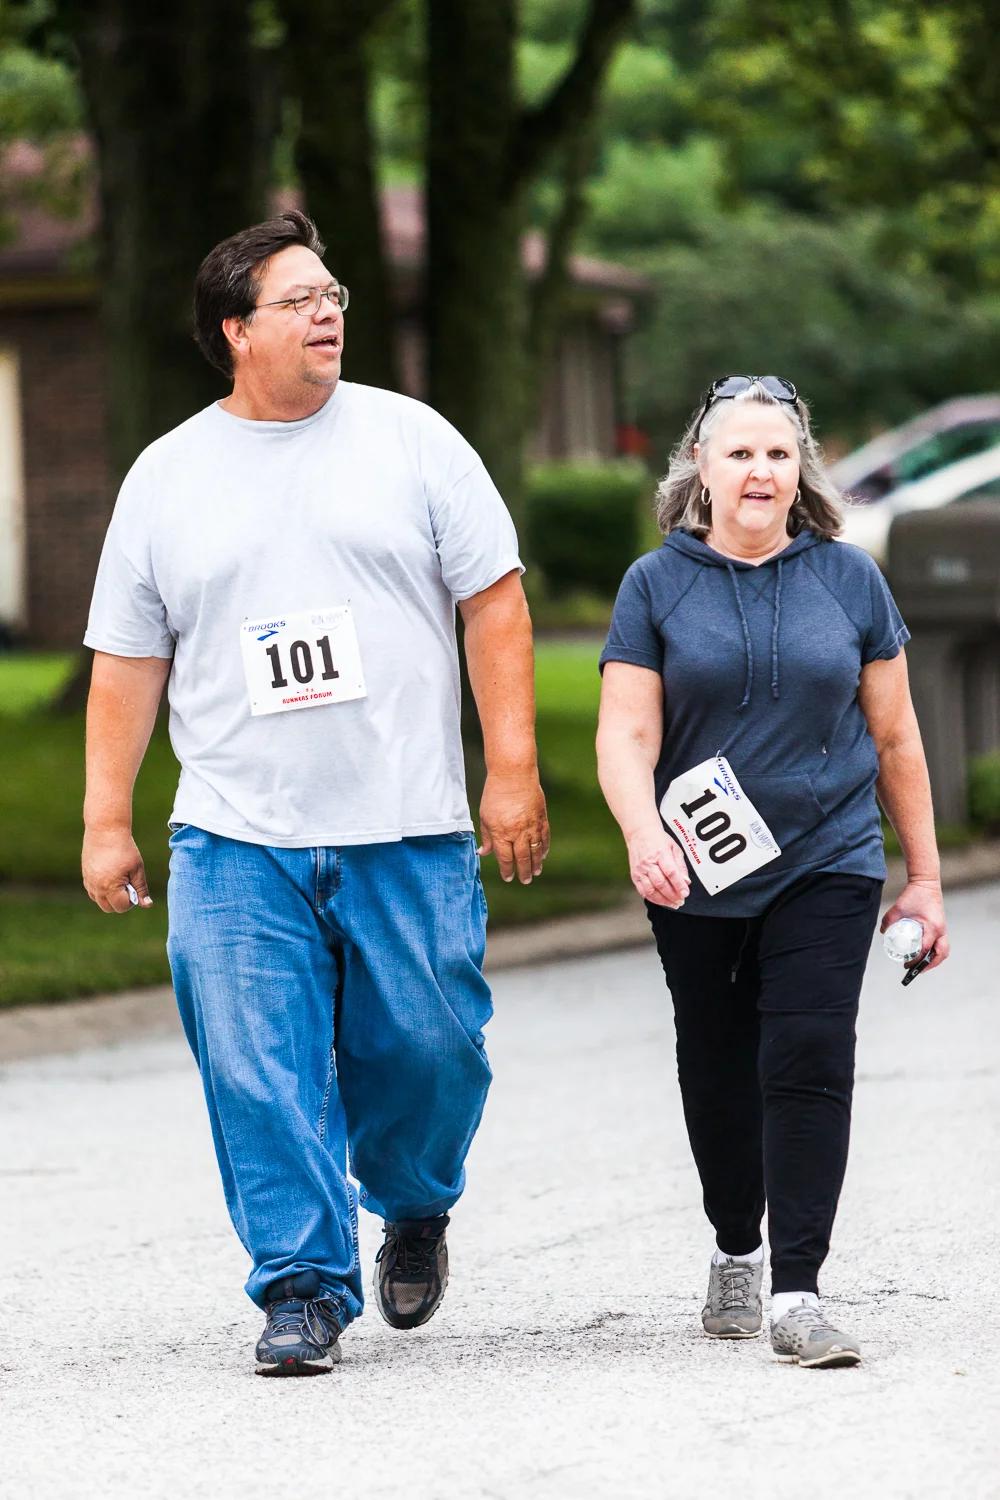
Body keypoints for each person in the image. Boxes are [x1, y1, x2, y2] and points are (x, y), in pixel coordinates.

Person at [81, 211, 549, 1376]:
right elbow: (128, 660)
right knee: (253, 1063)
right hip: (236, 833)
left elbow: (493, 602)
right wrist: (105, 816)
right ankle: (300, 1284)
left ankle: (415, 1199)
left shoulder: (415, 442)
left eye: (333, 293)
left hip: (407, 820)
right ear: (236, 330)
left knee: (432, 1052)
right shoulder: (167, 477)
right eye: (299, 300)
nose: (329, 311)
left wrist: (511, 767)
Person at [596, 375, 948, 1369]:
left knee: (807, 1056)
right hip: (695, 870)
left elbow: (894, 737)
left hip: (828, 858)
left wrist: (921, 878)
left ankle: (798, 1288)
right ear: (698, 469)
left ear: (802, 471)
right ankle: (734, 1240)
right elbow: (625, 734)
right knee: (717, 1064)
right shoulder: (652, 585)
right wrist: (640, 833)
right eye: (739, 453)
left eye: (778, 454)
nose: (759, 471)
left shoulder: (849, 580)